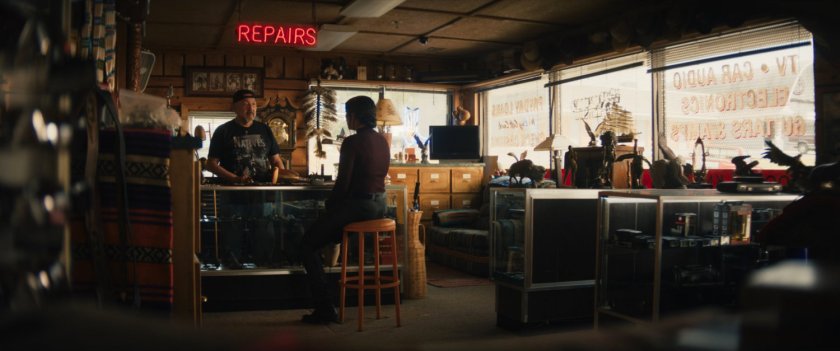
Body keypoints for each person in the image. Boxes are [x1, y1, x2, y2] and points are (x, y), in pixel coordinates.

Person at [298, 95, 390, 324]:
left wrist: (329, 207)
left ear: (354, 116)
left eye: (347, 114)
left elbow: (343, 184)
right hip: (380, 206)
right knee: (332, 233)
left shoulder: (352, 142)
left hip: (360, 207)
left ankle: (325, 309)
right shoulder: (382, 140)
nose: (346, 118)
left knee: (307, 245)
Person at [205, 89, 285, 269]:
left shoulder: (264, 129)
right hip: (233, 195)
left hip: (261, 195)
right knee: (232, 236)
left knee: (264, 235)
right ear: (235, 107)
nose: (252, 108)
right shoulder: (223, 131)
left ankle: (264, 272)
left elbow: (276, 160)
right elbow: (211, 164)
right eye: (246, 104)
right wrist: (235, 179)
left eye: (254, 104)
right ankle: (232, 274)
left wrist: (283, 178)